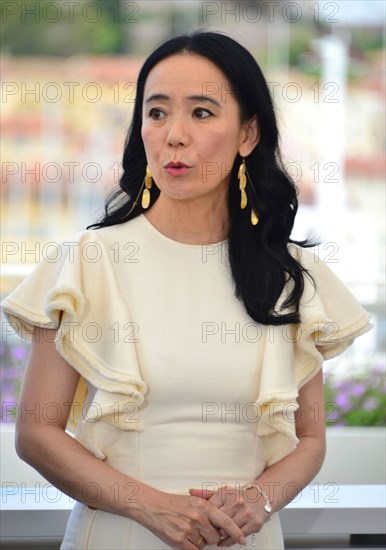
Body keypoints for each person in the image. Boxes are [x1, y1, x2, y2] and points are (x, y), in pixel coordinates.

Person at [1, 31, 372, 550]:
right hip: (118, 535)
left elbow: (309, 440)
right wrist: (152, 506)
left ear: (247, 135)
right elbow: (37, 434)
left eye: (201, 113)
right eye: (156, 113)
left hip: (244, 539)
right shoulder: (89, 262)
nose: (174, 135)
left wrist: (258, 501)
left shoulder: (288, 275)